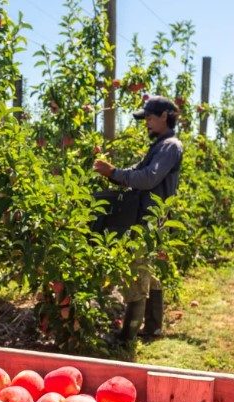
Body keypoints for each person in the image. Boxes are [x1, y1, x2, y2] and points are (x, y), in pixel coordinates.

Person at [92, 95, 184, 342]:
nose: (147, 123)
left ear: (165, 116)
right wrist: (112, 173)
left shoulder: (170, 147)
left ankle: (127, 336)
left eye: (150, 118)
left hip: (150, 218)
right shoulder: (160, 146)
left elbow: (148, 179)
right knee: (149, 271)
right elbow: (136, 171)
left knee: (137, 271)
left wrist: (114, 172)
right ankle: (152, 327)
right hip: (148, 217)